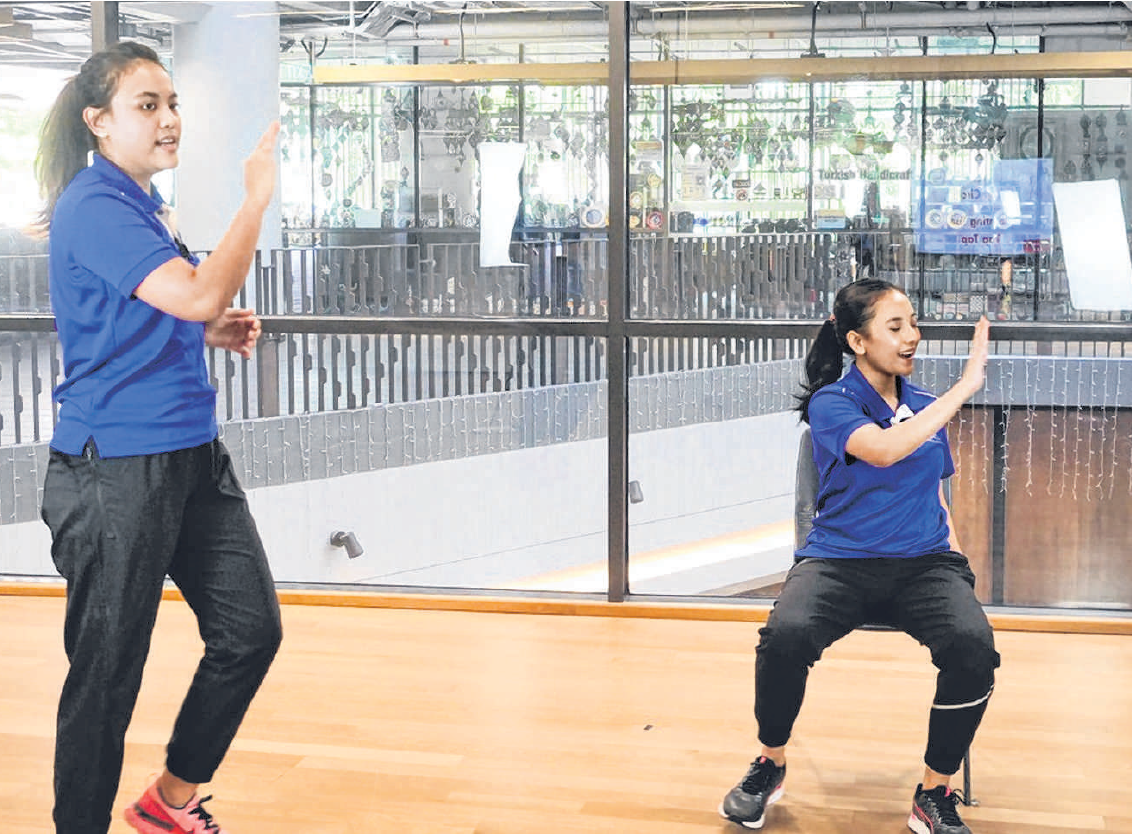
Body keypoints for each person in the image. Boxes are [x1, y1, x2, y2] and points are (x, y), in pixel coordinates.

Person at [35, 41, 283, 834]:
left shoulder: (142, 205)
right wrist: (255, 204)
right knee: (107, 677)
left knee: (250, 631)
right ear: (99, 123)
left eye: (172, 103)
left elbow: (149, 313)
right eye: (148, 106)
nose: (169, 119)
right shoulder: (95, 204)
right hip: (114, 471)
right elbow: (199, 288)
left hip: (188, 455)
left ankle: (167, 803)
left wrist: (207, 334)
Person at [719, 279, 999, 834]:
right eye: (896, 328)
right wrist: (967, 385)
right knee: (784, 637)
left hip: (924, 563)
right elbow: (884, 449)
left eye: (913, 324)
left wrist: (959, 569)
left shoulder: (923, 406)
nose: (912, 337)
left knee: (974, 648)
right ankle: (769, 764)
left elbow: (937, 498)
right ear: (857, 340)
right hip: (839, 561)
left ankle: (934, 790)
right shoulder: (833, 404)